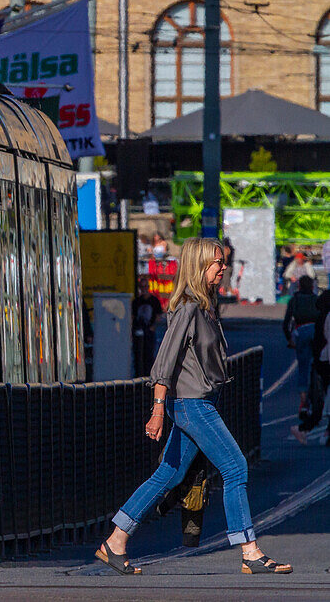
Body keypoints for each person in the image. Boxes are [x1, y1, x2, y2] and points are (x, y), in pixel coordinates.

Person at [97, 238, 292, 576]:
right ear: (200, 265)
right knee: (235, 468)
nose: (223, 268)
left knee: (169, 474)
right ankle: (250, 551)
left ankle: (115, 541)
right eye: (218, 262)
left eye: (224, 261)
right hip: (192, 404)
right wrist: (158, 409)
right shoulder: (188, 307)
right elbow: (165, 362)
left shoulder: (204, 306)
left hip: (200, 401)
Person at [292, 289, 330, 445]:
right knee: (323, 401)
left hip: (321, 361)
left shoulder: (321, 317)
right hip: (326, 361)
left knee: (322, 400)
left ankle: (314, 429)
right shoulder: (327, 317)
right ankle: (304, 428)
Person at [283, 275, 321, 419]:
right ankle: (320, 392)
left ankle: (303, 402)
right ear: (312, 286)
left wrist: (290, 340)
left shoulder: (294, 300)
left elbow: (286, 324)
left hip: (301, 332)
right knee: (319, 364)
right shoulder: (317, 299)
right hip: (317, 333)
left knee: (303, 368)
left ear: (299, 286)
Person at [131, 276, 163, 378]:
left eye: (145, 287)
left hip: (149, 333)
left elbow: (158, 316)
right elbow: (132, 317)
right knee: (138, 356)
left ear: (148, 287)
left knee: (149, 356)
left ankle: (148, 377)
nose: (144, 289)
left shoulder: (154, 301)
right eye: (142, 287)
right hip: (138, 333)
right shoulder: (136, 302)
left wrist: (152, 327)